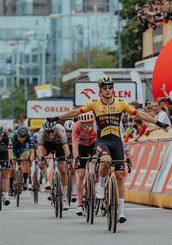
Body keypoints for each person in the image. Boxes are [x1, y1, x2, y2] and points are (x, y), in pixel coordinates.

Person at [47, 76, 169, 223]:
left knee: (120, 175)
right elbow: (75, 113)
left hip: (116, 141)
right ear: (100, 90)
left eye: (110, 87)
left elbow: (140, 114)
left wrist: (158, 122)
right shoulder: (94, 104)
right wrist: (56, 118)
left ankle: (121, 211)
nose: (107, 90)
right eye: (104, 88)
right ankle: (100, 185)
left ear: (113, 89)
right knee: (105, 161)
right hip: (102, 141)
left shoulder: (121, 104)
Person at [37, 121, 71, 211]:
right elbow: (40, 147)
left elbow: (65, 146)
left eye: (52, 131)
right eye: (48, 132)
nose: (50, 133)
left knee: (63, 170)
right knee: (40, 163)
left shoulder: (60, 130)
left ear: (55, 129)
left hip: (60, 146)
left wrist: (68, 158)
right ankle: (47, 181)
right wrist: (41, 159)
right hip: (47, 145)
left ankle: (64, 198)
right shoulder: (41, 132)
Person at [72, 113, 97, 216]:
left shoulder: (96, 126)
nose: (87, 127)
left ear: (92, 122)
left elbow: (101, 142)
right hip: (81, 147)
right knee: (80, 174)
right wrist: (76, 158)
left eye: (89, 124)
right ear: (80, 123)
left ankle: (95, 184)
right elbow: (74, 144)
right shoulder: (76, 127)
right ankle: (79, 203)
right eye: (84, 125)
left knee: (95, 162)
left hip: (94, 144)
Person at [9, 126, 35, 191]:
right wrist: (11, 160)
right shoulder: (12, 136)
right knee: (12, 166)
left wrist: (30, 160)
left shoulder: (29, 137)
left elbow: (32, 151)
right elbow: (10, 151)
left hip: (23, 147)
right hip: (14, 148)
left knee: (26, 158)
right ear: (17, 135)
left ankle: (25, 181)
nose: (22, 138)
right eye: (20, 136)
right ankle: (10, 187)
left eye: (24, 136)